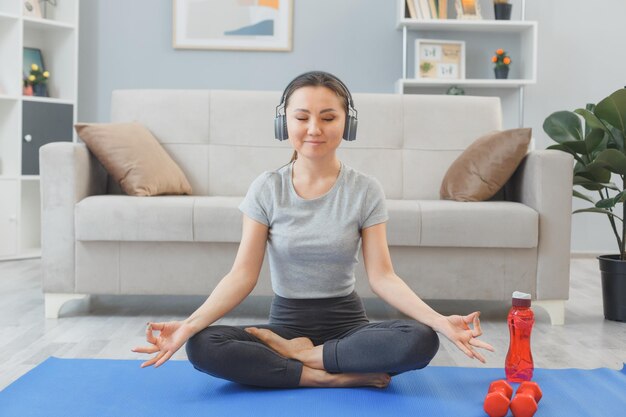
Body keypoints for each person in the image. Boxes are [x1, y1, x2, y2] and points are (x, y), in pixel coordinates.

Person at [132, 71, 494, 388]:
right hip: (284, 326)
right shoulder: (266, 188)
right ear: (283, 123)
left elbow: (383, 277)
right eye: (302, 117)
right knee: (202, 345)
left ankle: (301, 360)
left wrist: (440, 322)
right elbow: (241, 275)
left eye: (328, 117)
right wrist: (188, 326)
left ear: (346, 123)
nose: (314, 129)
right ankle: (319, 374)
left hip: (350, 329)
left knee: (419, 340)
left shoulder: (365, 189)